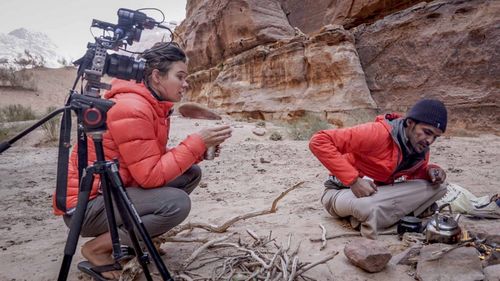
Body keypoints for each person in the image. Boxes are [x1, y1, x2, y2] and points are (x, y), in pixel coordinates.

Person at [53, 42, 232, 280]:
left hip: (113, 190)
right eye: (180, 77)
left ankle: (140, 236)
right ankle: (97, 249)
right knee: (176, 204)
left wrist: (198, 152)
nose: (186, 84)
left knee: (191, 172)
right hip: (87, 208)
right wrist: (197, 142)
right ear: (157, 76)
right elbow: (149, 177)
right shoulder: (132, 107)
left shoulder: (151, 103)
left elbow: (146, 157)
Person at [309, 99, 448, 239]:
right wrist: (354, 180)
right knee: (366, 206)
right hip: (340, 192)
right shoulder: (378, 132)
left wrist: (431, 171)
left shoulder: (420, 149)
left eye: (435, 137)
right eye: (426, 132)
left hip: (378, 193)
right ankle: (389, 215)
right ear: (410, 123)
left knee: (440, 187)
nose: (429, 141)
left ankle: (375, 217)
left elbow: (414, 178)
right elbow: (320, 140)